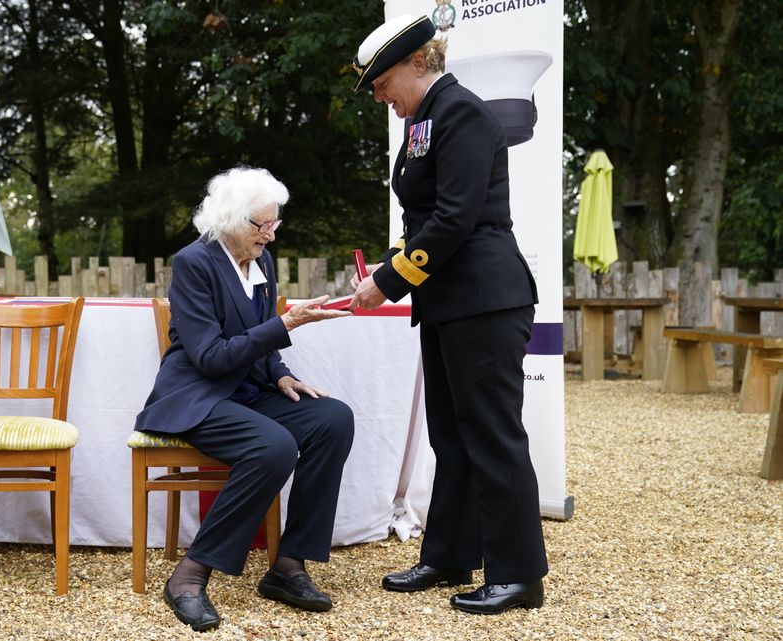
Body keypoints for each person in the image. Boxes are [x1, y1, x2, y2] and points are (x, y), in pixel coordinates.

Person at [349, 15, 548, 615]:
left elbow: (458, 218)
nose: (380, 97)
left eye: (382, 83)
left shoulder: (458, 112)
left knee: (493, 434)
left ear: (417, 62)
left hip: (485, 297)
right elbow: (423, 221)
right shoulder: (426, 121)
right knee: (452, 438)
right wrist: (388, 266)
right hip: (451, 301)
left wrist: (388, 282)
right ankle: (450, 555)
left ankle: (518, 574)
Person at [134, 166, 355, 631]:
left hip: (249, 391)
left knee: (333, 419)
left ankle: (288, 566)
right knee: (273, 446)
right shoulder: (195, 263)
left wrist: (281, 375)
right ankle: (189, 576)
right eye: (262, 225)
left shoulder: (261, 263)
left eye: (275, 223)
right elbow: (211, 357)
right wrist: (288, 323)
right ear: (232, 220)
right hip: (197, 396)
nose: (270, 235)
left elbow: (261, 343)